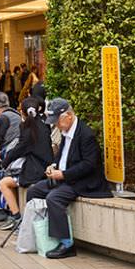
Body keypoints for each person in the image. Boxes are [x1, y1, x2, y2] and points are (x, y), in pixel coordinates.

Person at [25, 98, 111, 259]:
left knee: (54, 198)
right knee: (34, 191)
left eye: (57, 121)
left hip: (82, 181)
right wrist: (53, 166)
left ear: (69, 116)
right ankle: (34, 232)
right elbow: (62, 156)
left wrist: (64, 174)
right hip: (64, 177)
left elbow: (89, 164)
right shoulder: (66, 131)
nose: (56, 125)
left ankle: (66, 243)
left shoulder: (86, 135)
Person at [0, 95, 54, 230]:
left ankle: (16, 217)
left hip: (35, 171)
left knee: (3, 183)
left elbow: (19, 149)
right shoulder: (43, 125)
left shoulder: (27, 128)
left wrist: (5, 161)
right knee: (10, 177)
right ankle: (10, 213)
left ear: (22, 112)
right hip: (44, 166)